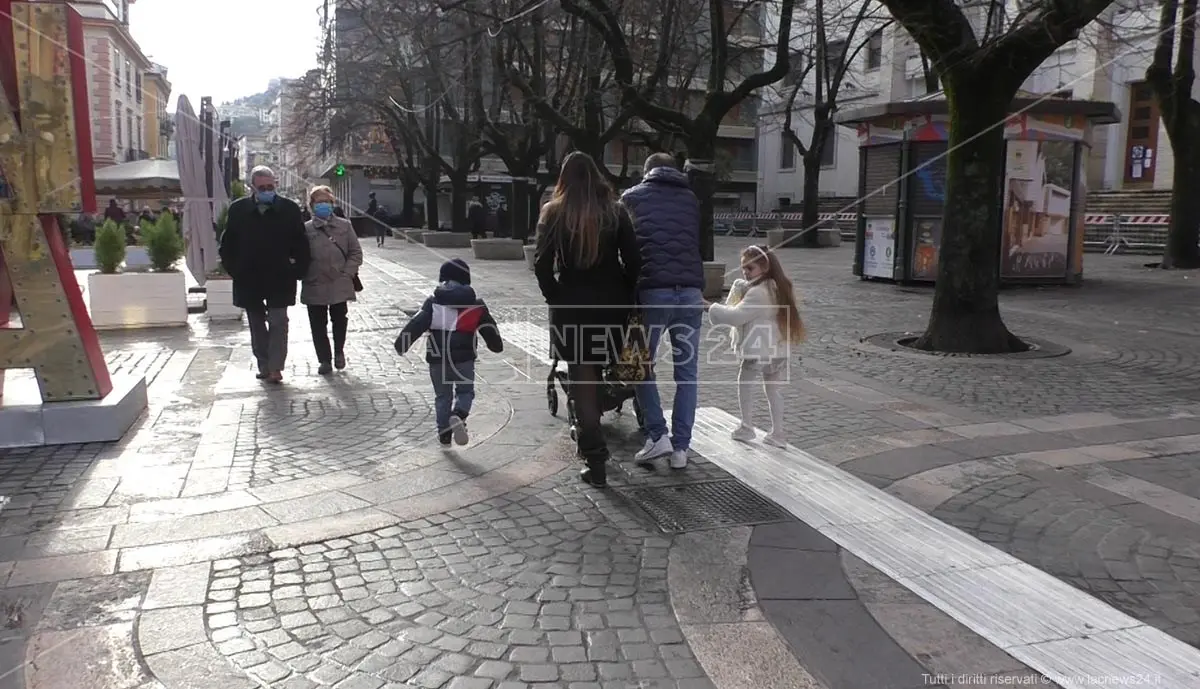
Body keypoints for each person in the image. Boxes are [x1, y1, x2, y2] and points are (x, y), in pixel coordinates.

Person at [534, 152, 641, 487]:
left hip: (571, 307)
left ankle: (596, 461)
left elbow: (541, 264)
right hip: (611, 305)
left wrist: (556, 296)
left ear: (564, 178)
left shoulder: (553, 212)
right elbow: (636, 261)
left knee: (583, 379)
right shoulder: (616, 211)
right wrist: (623, 293)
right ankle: (611, 402)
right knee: (608, 368)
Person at [619, 152, 704, 470]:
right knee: (687, 375)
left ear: (646, 172)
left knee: (637, 365)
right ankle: (681, 449)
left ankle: (658, 435)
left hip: (653, 291)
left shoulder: (631, 197)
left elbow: (624, 244)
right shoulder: (691, 198)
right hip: (691, 293)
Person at [218, 166, 311, 384]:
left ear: (276, 185)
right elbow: (227, 244)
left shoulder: (289, 209)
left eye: (271, 186)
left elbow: (301, 243)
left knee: (279, 321)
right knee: (257, 324)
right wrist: (235, 270)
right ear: (253, 188)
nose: (267, 191)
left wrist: (298, 270)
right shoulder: (238, 210)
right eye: (262, 187)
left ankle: (276, 367)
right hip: (249, 278)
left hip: (280, 277)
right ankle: (264, 364)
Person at [395, 259, 503, 446]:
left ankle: (444, 434)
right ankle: (459, 415)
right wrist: (496, 345)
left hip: (437, 357)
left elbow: (416, 324)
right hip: (464, 358)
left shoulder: (433, 302)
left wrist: (401, 344)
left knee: (442, 396)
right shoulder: (475, 304)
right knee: (465, 391)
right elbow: (489, 329)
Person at [706, 245, 805, 447]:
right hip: (778, 351)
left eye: (749, 268)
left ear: (764, 267)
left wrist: (710, 306)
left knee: (745, 386)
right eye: (743, 267)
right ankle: (778, 433)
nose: (745, 272)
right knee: (773, 391)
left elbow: (735, 316)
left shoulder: (758, 293)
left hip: (758, 350)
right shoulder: (780, 287)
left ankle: (747, 427)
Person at [301, 185, 363, 375]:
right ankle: (324, 360)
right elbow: (298, 255)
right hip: (315, 281)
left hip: (339, 281)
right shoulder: (305, 229)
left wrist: (347, 274)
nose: (324, 206)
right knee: (317, 324)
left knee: (339, 319)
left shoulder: (345, 226)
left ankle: (338, 352)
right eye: (320, 202)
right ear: (312, 205)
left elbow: (355, 253)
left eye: (327, 202)